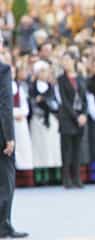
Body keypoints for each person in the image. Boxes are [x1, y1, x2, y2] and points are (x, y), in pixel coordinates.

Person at [0, 31, 29, 238]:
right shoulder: (3, 69)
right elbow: (5, 106)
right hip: (1, 136)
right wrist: (9, 136)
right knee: (6, 181)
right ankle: (3, 225)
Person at [57, 52, 88, 188]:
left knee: (77, 150)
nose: (65, 63)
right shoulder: (61, 79)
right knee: (67, 150)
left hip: (80, 117)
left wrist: (84, 114)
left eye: (67, 60)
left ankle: (77, 178)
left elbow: (84, 98)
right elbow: (64, 101)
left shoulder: (80, 78)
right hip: (68, 118)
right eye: (63, 61)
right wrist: (75, 117)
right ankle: (66, 178)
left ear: (73, 61)